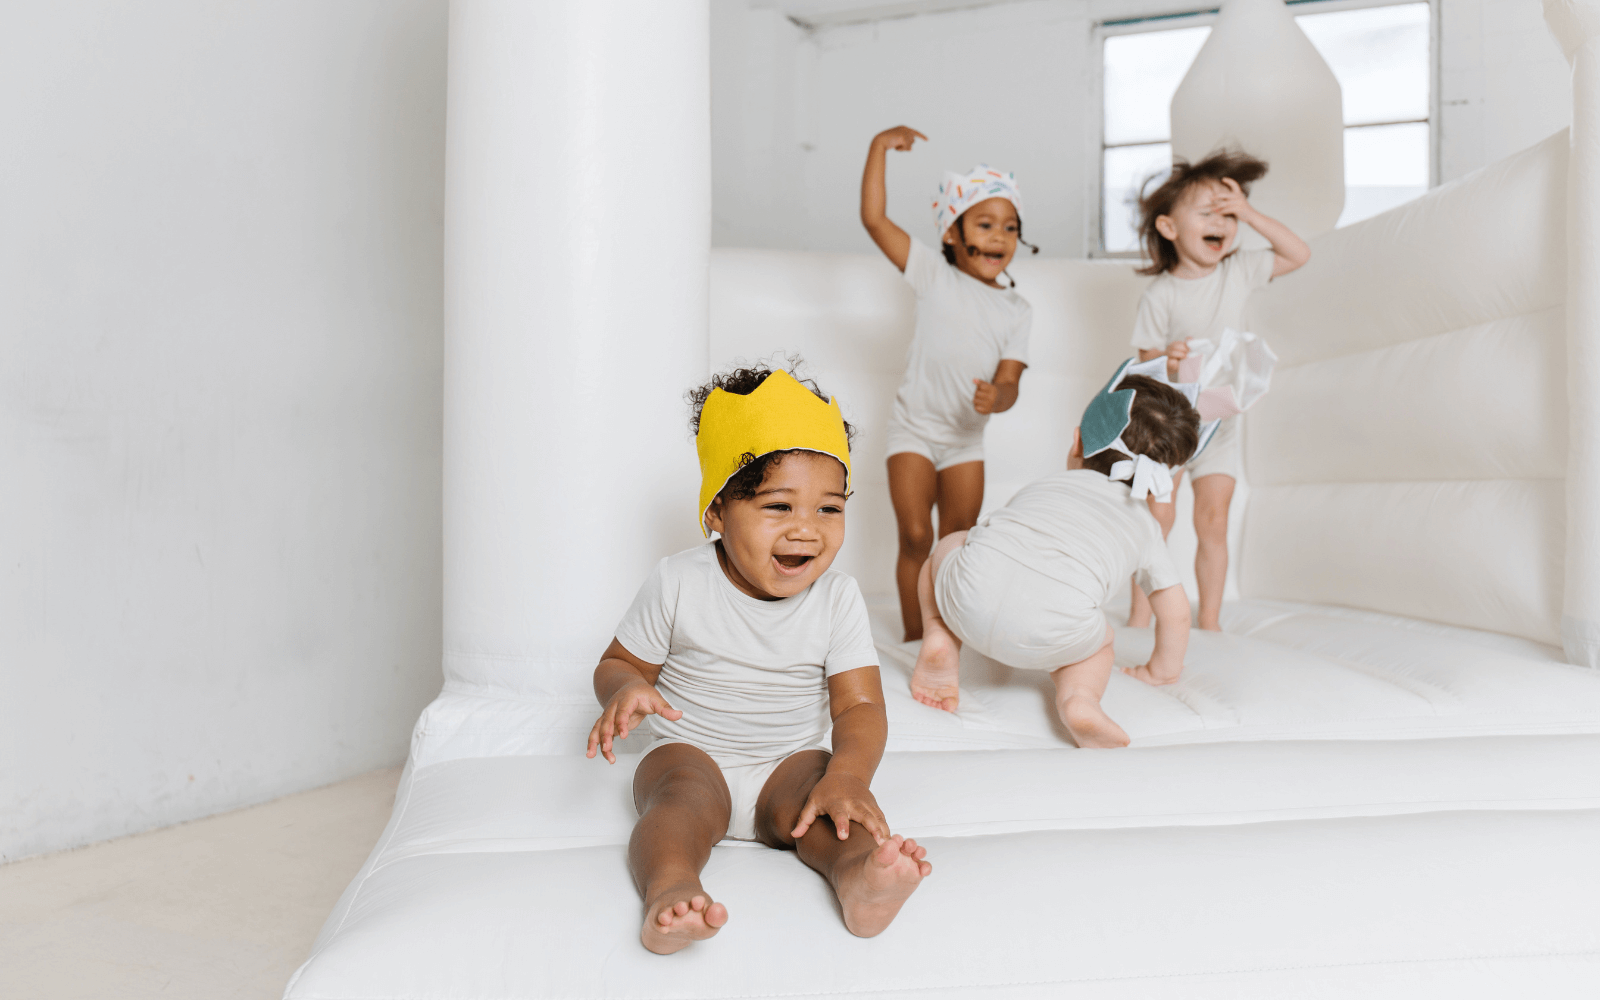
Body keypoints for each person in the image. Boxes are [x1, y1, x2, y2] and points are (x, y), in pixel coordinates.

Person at [586, 361, 930, 955]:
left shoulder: (837, 598)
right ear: (717, 513)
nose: (807, 531)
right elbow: (618, 664)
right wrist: (625, 689)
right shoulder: (678, 581)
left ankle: (859, 880)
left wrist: (847, 776)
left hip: (786, 765)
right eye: (779, 508)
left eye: (829, 508)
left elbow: (861, 707)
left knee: (827, 812)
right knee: (678, 807)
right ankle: (670, 890)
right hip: (691, 754)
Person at [908, 361, 1200, 749]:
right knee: (1100, 642)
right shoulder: (1146, 527)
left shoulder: (1046, 486)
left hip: (968, 602)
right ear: (1163, 479)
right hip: (1053, 635)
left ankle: (941, 636)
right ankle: (1078, 699)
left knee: (951, 546)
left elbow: (999, 541)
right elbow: (1176, 613)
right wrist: (1161, 670)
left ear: (1078, 442)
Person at [859, 125, 1034, 642]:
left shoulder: (1018, 310)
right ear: (953, 234)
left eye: (1009, 227)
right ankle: (917, 640)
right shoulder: (933, 276)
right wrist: (878, 150)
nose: (998, 236)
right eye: (984, 224)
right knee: (915, 535)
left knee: (955, 542)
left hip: (964, 440)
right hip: (912, 429)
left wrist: (997, 398)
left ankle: (946, 636)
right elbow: (873, 219)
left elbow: (1011, 382)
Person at [1127, 150, 1310, 632]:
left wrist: (1249, 213)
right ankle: (1138, 618)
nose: (1222, 223)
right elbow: (1140, 367)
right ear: (1169, 228)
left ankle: (1209, 622)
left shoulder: (1239, 270)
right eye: (1207, 213)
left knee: (1212, 521)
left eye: (1229, 215)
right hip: (1171, 426)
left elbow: (1298, 253)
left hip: (1221, 425)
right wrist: (1167, 356)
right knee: (1156, 522)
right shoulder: (1161, 294)